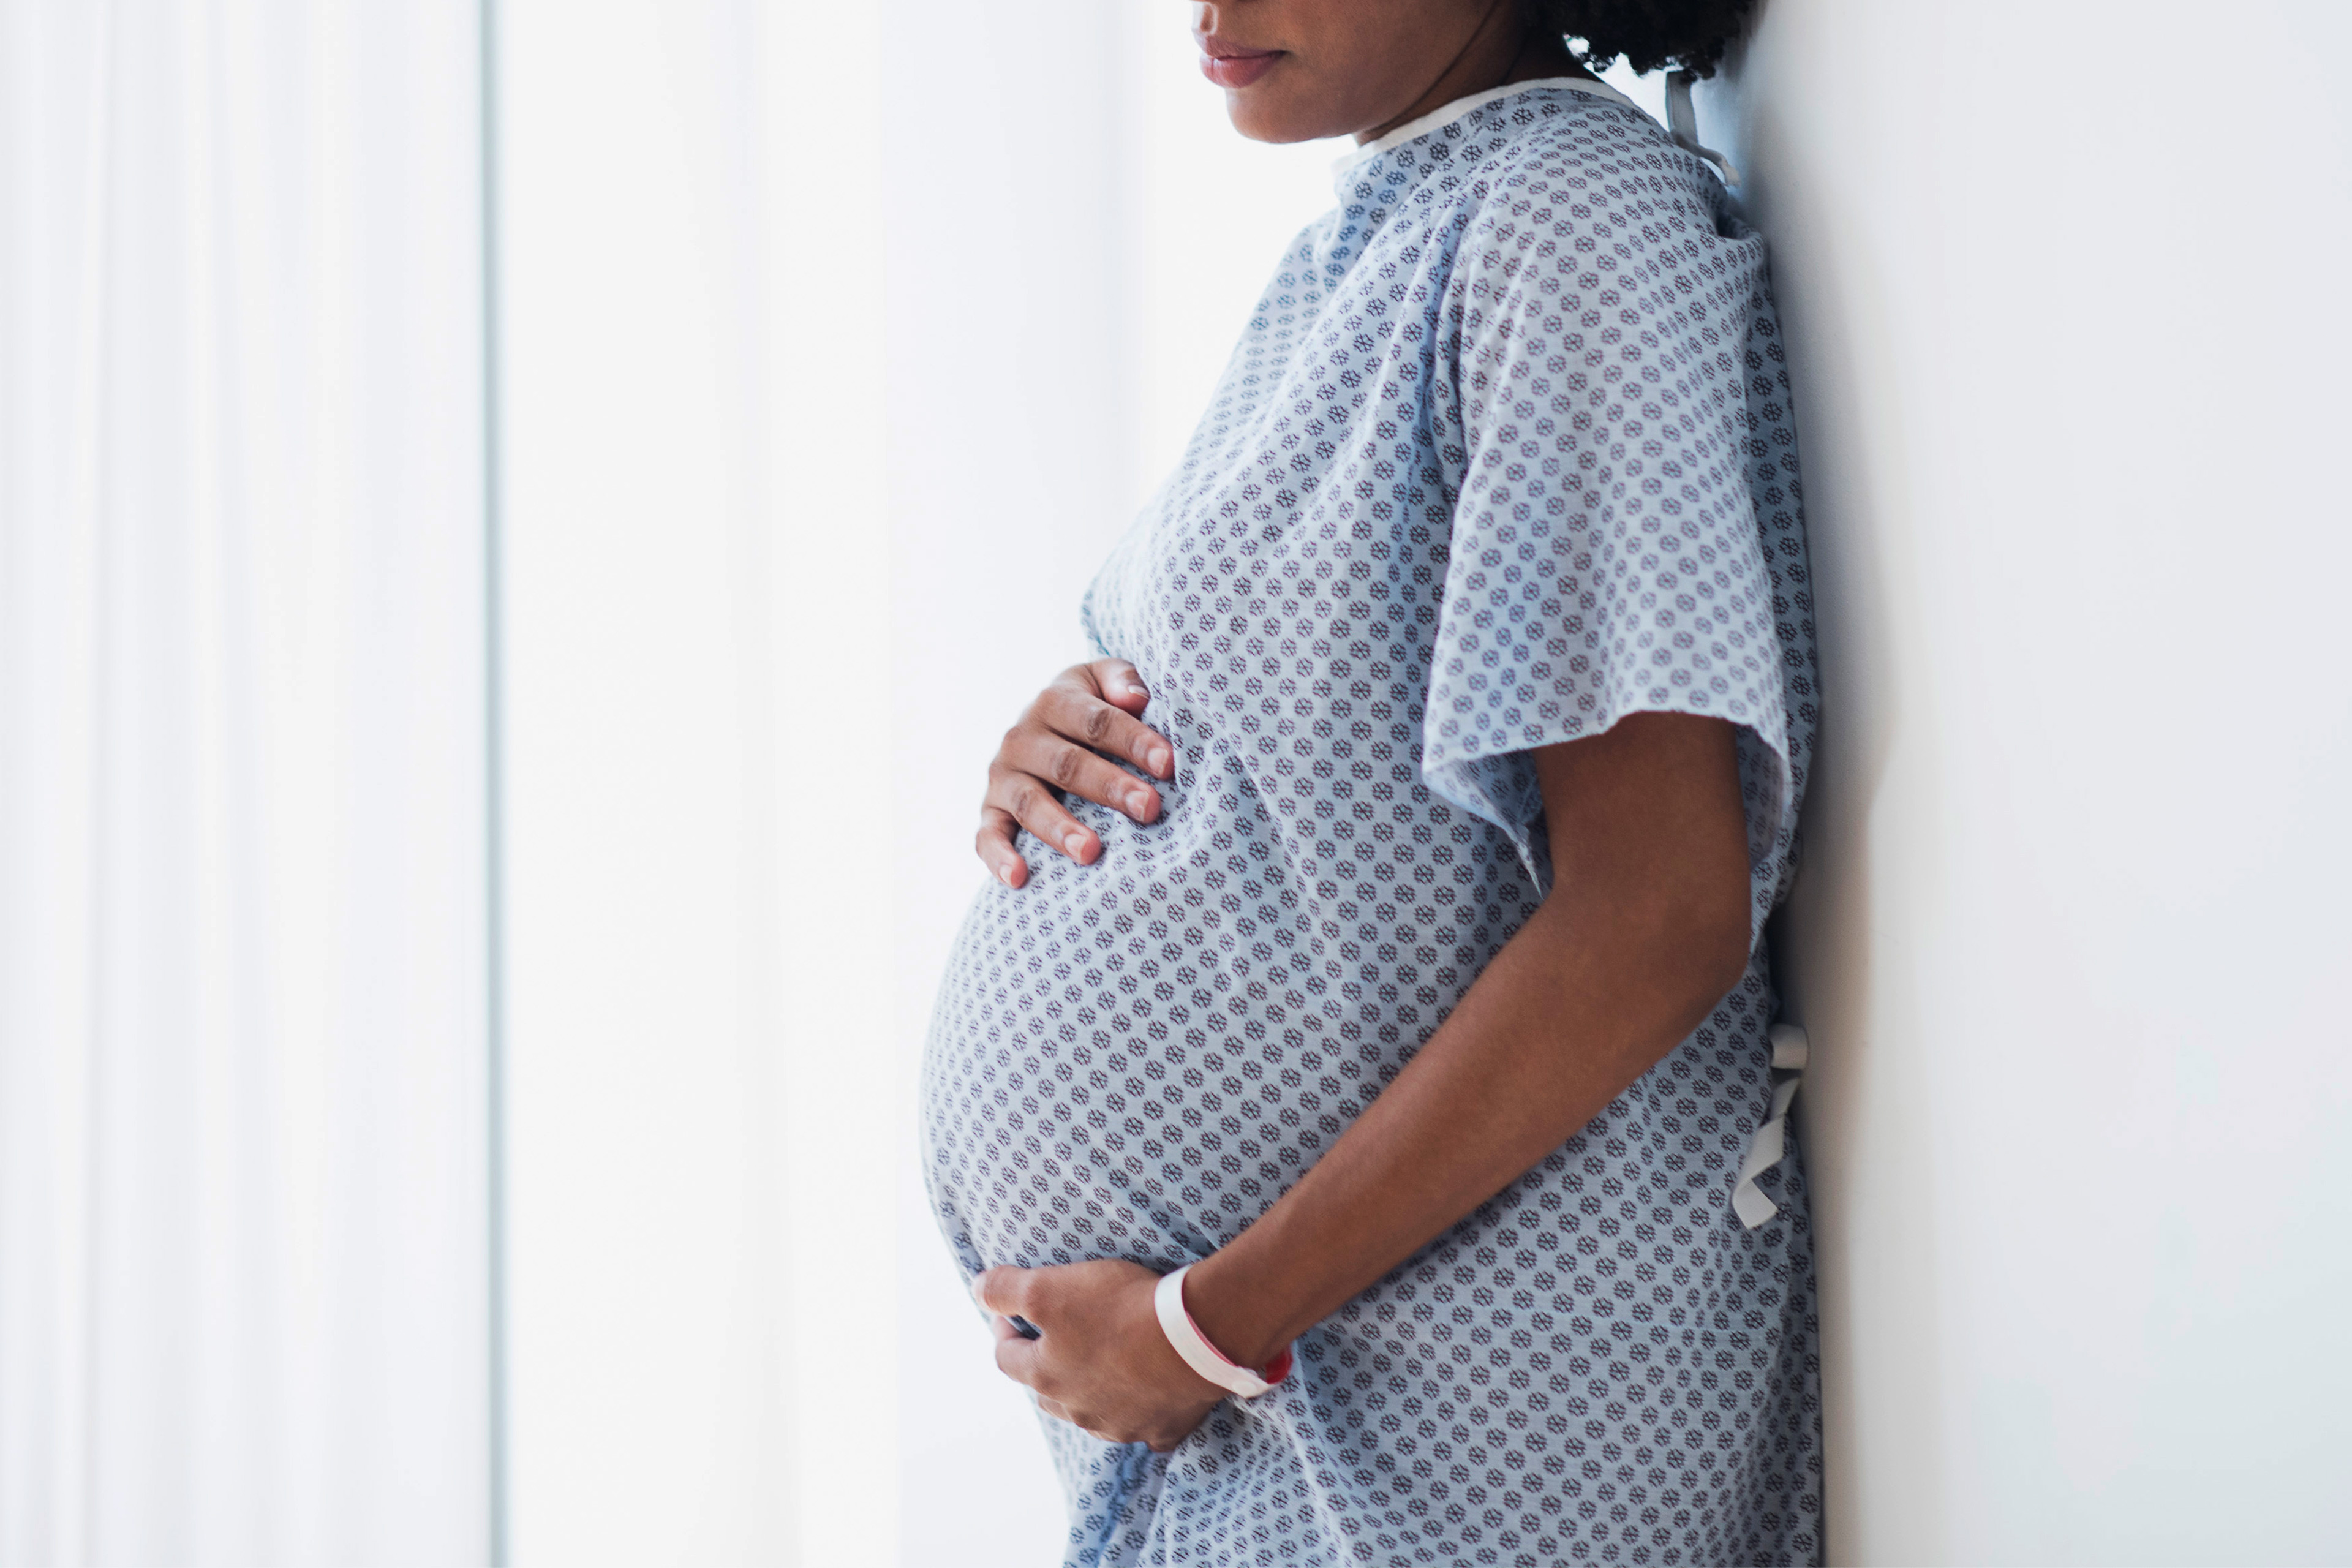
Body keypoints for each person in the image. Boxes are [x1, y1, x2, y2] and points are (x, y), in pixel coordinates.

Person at [921, 0, 1820, 1561]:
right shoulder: (1397, 218)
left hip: (1462, 1421)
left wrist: (1211, 1324)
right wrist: (1077, 735)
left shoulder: (1561, 220)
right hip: (1313, 1401)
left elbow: (1661, 909)